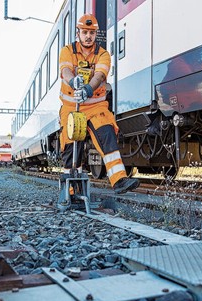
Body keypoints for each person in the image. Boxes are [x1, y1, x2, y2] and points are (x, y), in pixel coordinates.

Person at [58, 14, 139, 194]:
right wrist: (73, 82)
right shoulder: (67, 51)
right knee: (71, 147)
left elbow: (100, 75)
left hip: (95, 107)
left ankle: (119, 180)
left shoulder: (103, 54)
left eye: (92, 33)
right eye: (85, 32)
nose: (88, 36)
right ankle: (71, 191)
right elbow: (65, 70)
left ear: (96, 35)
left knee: (107, 134)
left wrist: (87, 89)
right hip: (71, 108)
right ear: (78, 32)